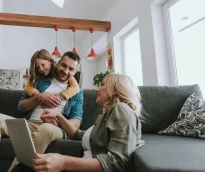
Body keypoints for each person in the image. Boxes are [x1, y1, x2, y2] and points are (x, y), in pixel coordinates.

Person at [0, 51, 84, 172]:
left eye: (71, 69)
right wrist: (38, 97)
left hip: (54, 127)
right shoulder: (41, 80)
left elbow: (76, 122)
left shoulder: (77, 92)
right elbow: (21, 107)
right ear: (58, 63)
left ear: (75, 71)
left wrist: (58, 121)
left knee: (46, 129)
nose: (66, 71)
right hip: (30, 124)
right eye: (64, 65)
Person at [14, 73, 144, 172]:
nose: (97, 89)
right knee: (28, 165)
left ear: (115, 89)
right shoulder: (104, 116)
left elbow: (118, 162)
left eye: (103, 85)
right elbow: (78, 135)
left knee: (27, 167)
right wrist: (58, 116)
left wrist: (63, 162)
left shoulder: (122, 110)